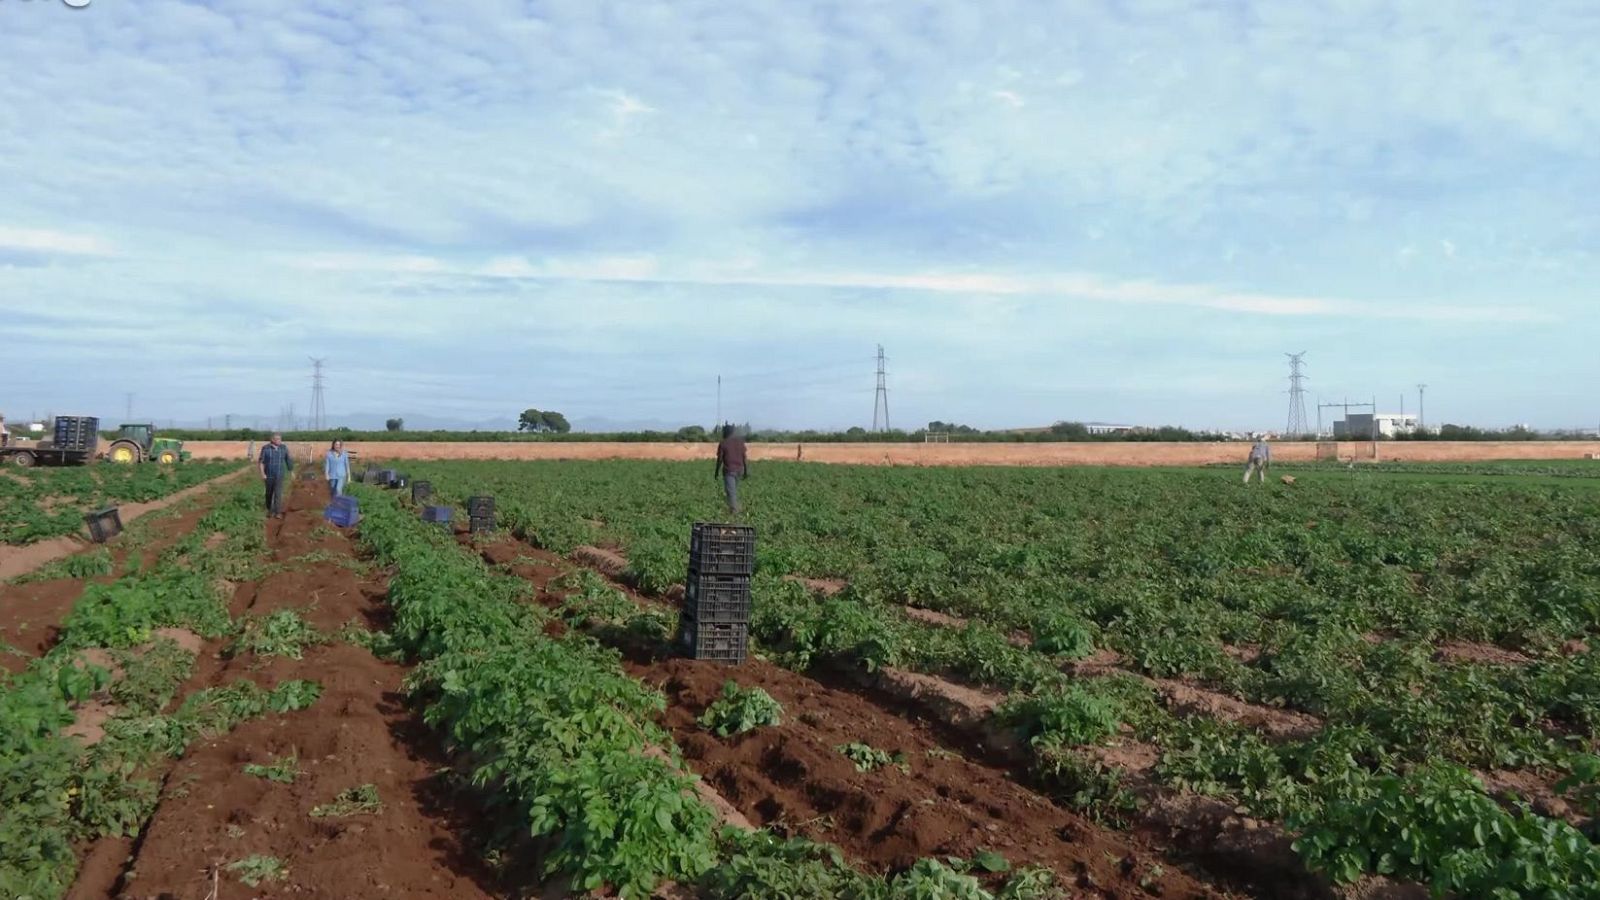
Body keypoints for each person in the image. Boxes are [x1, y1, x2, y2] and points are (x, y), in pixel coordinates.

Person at [713, 424, 748, 514]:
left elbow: (720, 459)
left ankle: (734, 512)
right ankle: (734, 508)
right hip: (739, 470)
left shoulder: (723, 443)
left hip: (729, 471)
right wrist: (746, 471)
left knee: (731, 492)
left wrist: (716, 471)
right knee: (733, 490)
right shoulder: (740, 442)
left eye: (724, 431)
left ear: (726, 432)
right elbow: (744, 457)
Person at [258, 433, 294, 518]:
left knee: (278, 493)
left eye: (280, 439)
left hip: (279, 474)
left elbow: (288, 460)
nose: (279, 440)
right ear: (272, 440)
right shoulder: (266, 448)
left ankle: (278, 512)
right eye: (277, 439)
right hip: (269, 475)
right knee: (269, 493)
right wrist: (262, 474)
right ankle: (269, 510)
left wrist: (291, 471)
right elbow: (261, 462)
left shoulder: (283, 448)